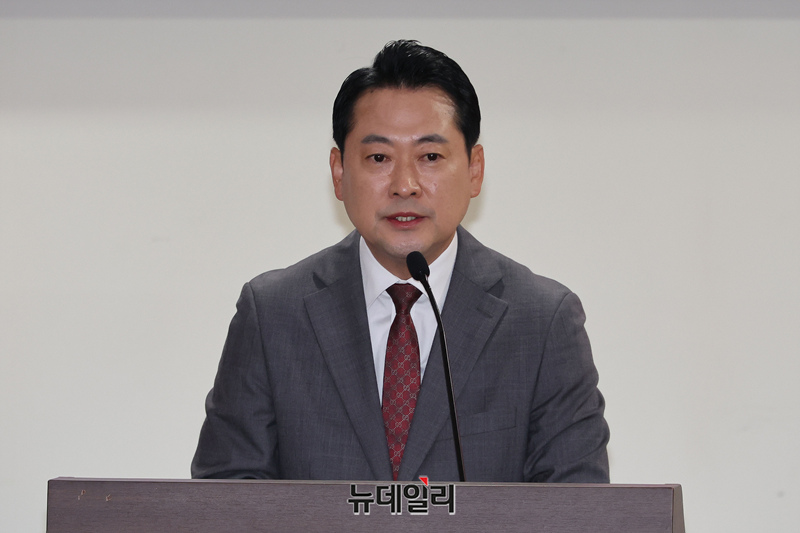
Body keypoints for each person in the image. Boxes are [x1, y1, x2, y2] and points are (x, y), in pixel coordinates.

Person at [191, 40, 609, 483]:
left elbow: (576, 506)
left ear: (474, 169)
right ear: (339, 172)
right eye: (379, 158)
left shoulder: (542, 322)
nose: (405, 184)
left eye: (430, 157)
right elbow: (225, 498)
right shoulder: (272, 315)